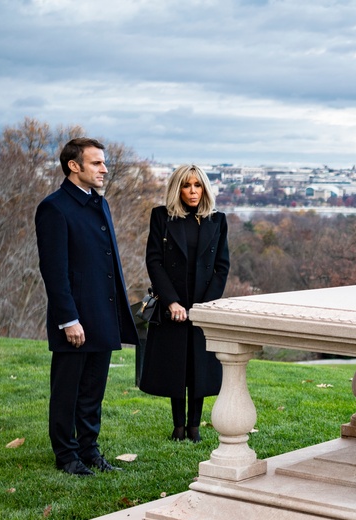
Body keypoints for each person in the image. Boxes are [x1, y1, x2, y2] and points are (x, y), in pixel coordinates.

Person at [35, 137, 139, 476]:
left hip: (103, 313)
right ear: (74, 166)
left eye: (103, 162)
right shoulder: (54, 207)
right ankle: (66, 456)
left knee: (93, 391)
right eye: (96, 163)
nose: (105, 169)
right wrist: (68, 319)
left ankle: (89, 450)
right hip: (76, 319)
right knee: (67, 391)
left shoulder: (100, 203)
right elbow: (54, 270)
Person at [139, 165, 230, 442]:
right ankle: (178, 427)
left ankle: (194, 427)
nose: (192, 191)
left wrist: (204, 307)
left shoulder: (217, 220)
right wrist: (172, 302)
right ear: (177, 188)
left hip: (202, 304)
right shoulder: (161, 217)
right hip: (173, 305)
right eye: (186, 185)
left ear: (205, 189)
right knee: (176, 364)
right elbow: (154, 261)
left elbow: (221, 266)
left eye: (197, 185)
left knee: (199, 365)